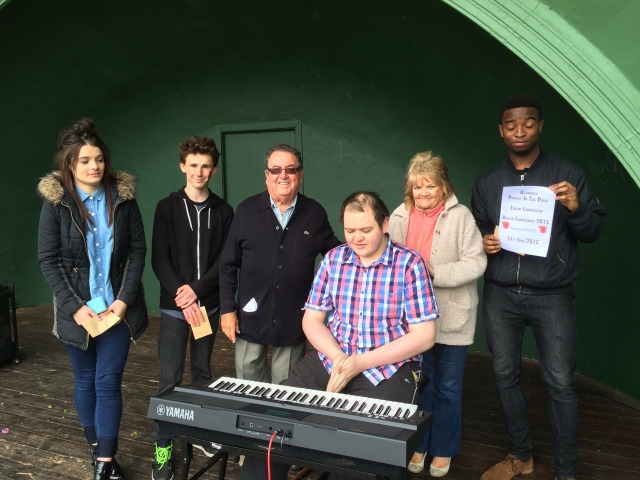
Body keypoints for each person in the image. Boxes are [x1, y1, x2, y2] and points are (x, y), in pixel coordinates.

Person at [239, 191, 439, 480]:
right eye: (350, 230)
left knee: (359, 452)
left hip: (389, 367)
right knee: (270, 428)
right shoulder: (334, 259)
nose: (357, 238)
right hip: (333, 357)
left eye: (366, 230)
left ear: (384, 225)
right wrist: (340, 359)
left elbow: (424, 337)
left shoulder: (410, 264)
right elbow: (312, 321)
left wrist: (359, 363)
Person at [471, 95, 606, 480]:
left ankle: (566, 470)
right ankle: (521, 455)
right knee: (504, 374)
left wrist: (578, 208)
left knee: (560, 381)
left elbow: (594, 230)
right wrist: (485, 239)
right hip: (501, 294)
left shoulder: (567, 174)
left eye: (527, 123)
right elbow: (478, 226)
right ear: (500, 131)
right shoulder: (487, 181)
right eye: (510, 125)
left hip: (552, 294)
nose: (519, 131)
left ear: (540, 126)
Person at [37, 119, 148, 480]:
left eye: (99, 158)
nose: (94, 166)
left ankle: (105, 462)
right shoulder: (57, 205)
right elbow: (49, 261)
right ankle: (96, 448)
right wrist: (75, 308)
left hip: (116, 309)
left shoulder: (124, 200)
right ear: (70, 164)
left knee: (108, 381)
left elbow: (137, 252)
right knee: (85, 380)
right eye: (85, 160)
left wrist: (124, 300)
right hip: (78, 312)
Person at [388, 151, 486, 477]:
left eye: (430, 186)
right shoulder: (399, 216)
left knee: (447, 387)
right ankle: (419, 443)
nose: (424, 193)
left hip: (452, 317)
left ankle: (443, 448)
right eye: (418, 187)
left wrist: (434, 272)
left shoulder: (461, 217)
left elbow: (477, 263)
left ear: (443, 186)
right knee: (419, 385)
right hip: (412, 321)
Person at [219, 143, 340, 385]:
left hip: (292, 319)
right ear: (267, 176)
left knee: (286, 390)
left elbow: (336, 257)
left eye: (290, 169)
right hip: (249, 318)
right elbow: (227, 265)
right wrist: (227, 311)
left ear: (300, 175)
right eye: (275, 170)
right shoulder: (246, 210)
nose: (283, 175)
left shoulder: (314, 213)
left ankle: (277, 425)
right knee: (247, 387)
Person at [150, 137, 234, 480]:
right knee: (169, 376)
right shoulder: (166, 207)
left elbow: (224, 262)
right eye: (193, 164)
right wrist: (182, 297)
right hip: (174, 310)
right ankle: (163, 445)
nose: (199, 172)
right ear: (183, 165)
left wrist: (197, 292)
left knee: (202, 372)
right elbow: (159, 258)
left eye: (206, 166)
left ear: (213, 169)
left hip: (208, 308)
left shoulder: (224, 211)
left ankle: (202, 434)